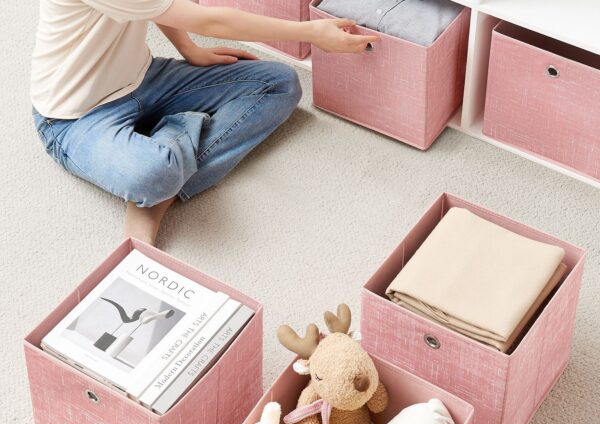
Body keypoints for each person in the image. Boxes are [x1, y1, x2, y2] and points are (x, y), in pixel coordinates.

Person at [31, 1, 378, 244]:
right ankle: (164, 174)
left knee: (280, 83)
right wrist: (310, 31)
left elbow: (158, 5)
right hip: (76, 116)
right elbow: (213, 22)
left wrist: (189, 49)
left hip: (145, 77)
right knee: (154, 174)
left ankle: (164, 175)